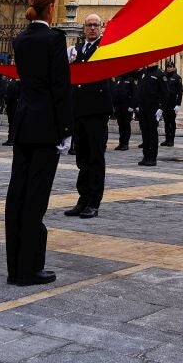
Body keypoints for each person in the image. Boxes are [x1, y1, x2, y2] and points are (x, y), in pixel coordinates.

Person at [5, 0, 73, 286]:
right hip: (46, 126)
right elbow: (59, 88)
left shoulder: (20, 40)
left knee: (17, 194)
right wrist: (66, 130)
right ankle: (30, 268)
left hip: (23, 123)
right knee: (36, 198)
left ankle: (14, 266)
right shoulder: (54, 39)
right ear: (51, 9)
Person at [64, 14, 112, 218]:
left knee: (95, 157)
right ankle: (82, 199)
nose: (92, 28)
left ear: (101, 28)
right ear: (83, 28)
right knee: (82, 158)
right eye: (89, 25)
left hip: (97, 110)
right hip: (79, 109)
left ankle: (94, 201)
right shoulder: (77, 50)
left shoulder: (106, 49)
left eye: (96, 25)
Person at [135, 61, 168, 166]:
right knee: (144, 132)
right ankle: (146, 156)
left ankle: (152, 158)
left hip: (153, 108)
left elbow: (165, 93)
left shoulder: (160, 74)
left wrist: (161, 108)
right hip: (143, 107)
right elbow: (139, 89)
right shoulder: (143, 72)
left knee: (152, 133)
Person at [110, 69, 136, 150]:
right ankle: (121, 143)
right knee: (120, 125)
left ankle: (125, 143)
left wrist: (132, 106)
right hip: (119, 106)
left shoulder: (130, 80)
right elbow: (115, 92)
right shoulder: (118, 79)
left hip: (127, 106)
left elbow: (135, 93)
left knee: (126, 124)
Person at [161, 60, 183, 146]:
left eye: (170, 67)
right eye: (168, 67)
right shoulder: (164, 77)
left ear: (173, 67)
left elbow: (180, 92)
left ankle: (171, 140)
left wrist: (178, 104)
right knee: (166, 121)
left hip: (172, 103)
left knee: (171, 121)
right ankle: (167, 139)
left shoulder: (177, 77)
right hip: (165, 103)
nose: (169, 68)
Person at [3, 74, 20, 145]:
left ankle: (12, 139)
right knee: (10, 123)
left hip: (14, 105)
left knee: (13, 123)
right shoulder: (9, 81)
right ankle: (10, 139)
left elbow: (15, 93)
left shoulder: (17, 83)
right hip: (10, 105)